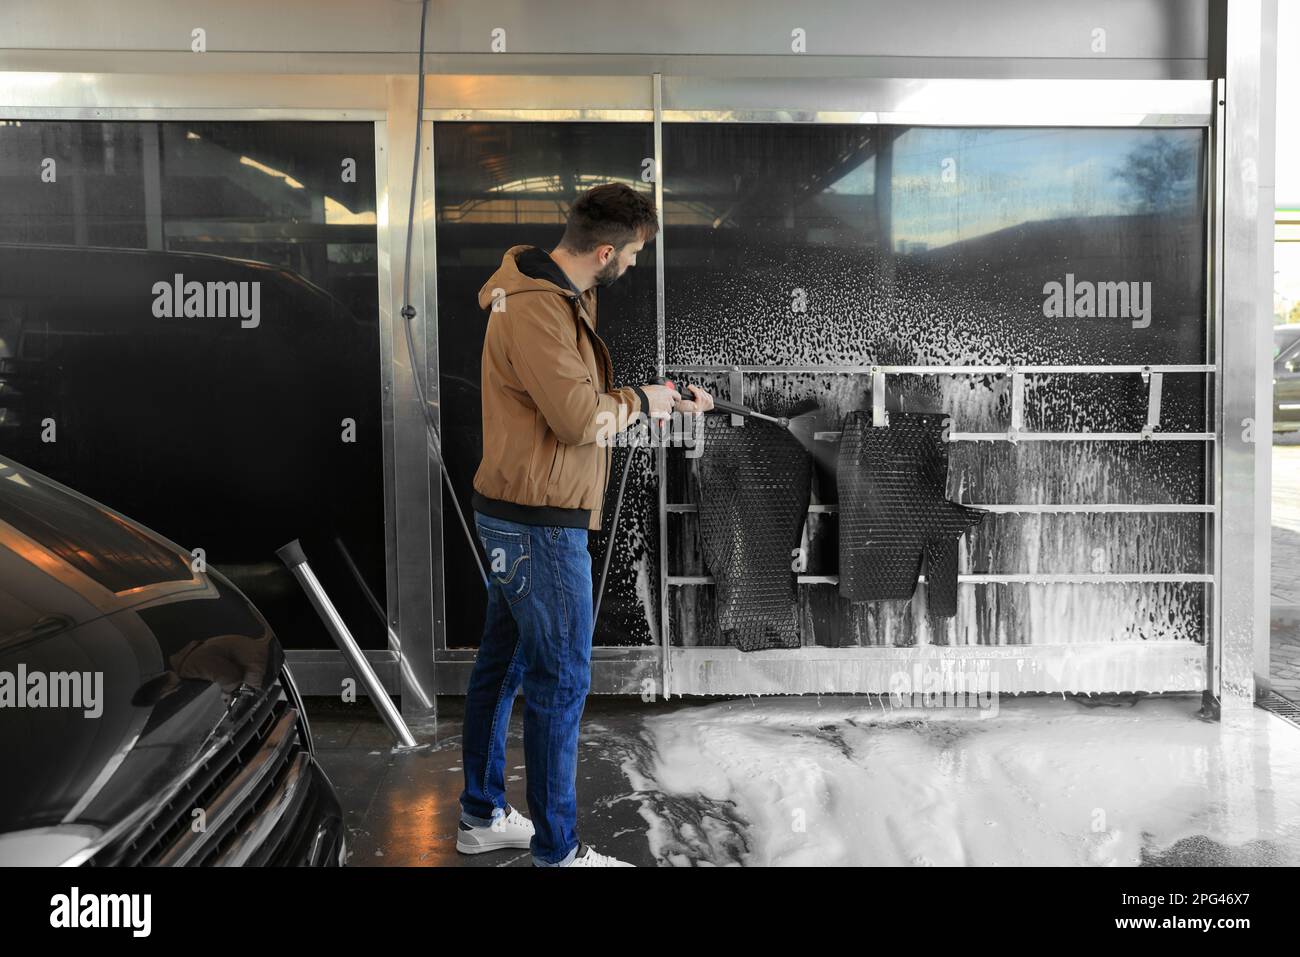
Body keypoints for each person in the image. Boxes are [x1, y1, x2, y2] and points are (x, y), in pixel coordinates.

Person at [456, 183, 712, 867]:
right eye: (631, 254)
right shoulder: (540, 309)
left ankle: (481, 813)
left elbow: (582, 401)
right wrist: (644, 399)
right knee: (560, 680)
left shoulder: (557, 296)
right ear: (606, 250)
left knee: (503, 667)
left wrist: (652, 402)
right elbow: (577, 419)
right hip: (539, 525)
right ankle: (558, 850)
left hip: (524, 511)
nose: (632, 265)